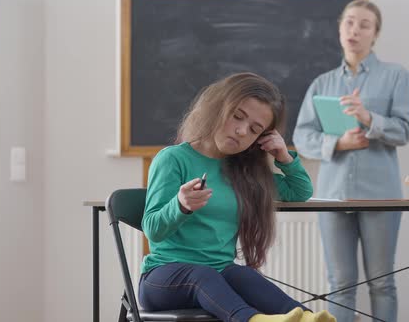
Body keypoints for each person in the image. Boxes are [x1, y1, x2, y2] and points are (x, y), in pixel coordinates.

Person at [139, 72, 337, 322]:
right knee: (204, 275)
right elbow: (152, 230)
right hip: (163, 279)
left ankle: (305, 318)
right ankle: (254, 320)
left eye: (255, 130)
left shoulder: (243, 172)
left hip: (218, 275)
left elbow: (300, 192)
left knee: (244, 275)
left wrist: (283, 156)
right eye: (237, 117)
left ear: (260, 139)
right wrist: (180, 205)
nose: (242, 131)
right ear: (218, 107)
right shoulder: (173, 159)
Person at [292, 0, 409, 322]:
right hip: (332, 197)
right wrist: (339, 143)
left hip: (381, 196)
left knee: (382, 282)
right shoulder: (322, 83)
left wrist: (369, 117)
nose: (354, 30)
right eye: (349, 22)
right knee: (340, 283)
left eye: (364, 24)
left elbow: (405, 130)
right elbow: (303, 137)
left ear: (375, 34)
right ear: (339, 28)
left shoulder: (397, 76)